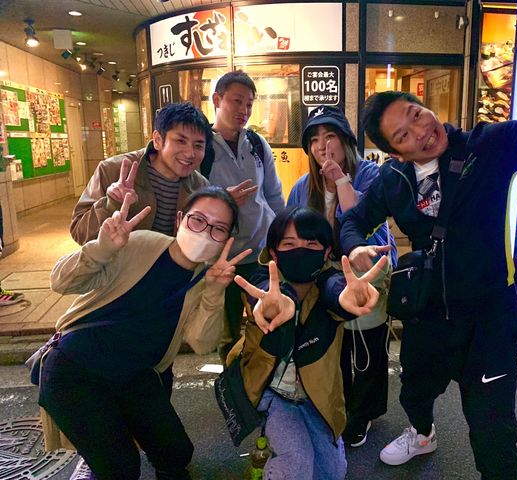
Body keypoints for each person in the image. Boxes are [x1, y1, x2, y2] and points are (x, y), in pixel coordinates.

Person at [340, 17, 517, 478]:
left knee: (493, 432)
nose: (420, 131)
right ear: (394, 152)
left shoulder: (487, 146)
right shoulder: (392, 179)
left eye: (416, 114)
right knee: (415, 390)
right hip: (426, 313)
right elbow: (355, 219)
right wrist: (356, 246)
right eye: (402, 135)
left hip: (489, 316)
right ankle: (422, 433)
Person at [39, 186, 251, 479]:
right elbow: (60, 281)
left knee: (177, 453)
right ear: (179, 219)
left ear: (226, 240)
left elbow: (201, 343)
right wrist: (101, 248)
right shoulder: (138, 243)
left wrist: (215, 291)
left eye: (218, 228)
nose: (205, 232)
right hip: (76, 370)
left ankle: (103, 450)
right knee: (121, 469)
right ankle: (95, 458)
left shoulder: (206, 278)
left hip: (135, 376)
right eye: (198, 220)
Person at [231, 206, 388, 480]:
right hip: (272, 394)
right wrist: (273, 305)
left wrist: (347, 299)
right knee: (297, 466)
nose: (300, 250)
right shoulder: (262, 281)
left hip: (317, 395)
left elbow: (335, 291)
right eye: (289, 244)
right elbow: (266, 295)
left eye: (311, 244)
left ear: (326, 252)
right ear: (274, 252)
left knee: (332, 473)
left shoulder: (329, 281)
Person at [287, 105, 397, 447]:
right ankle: (339, 406)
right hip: (327, 276)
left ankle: (362, 413)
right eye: (314, 140)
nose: (322, 145)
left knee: (366, 347)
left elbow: (363, 220)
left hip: (367, 271)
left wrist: (340, 180)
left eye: (330, 135)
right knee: (334, 346)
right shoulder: (303, 185)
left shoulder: (370, 174)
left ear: (347, 141)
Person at [205, 70, 285, 364]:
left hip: (260, 253)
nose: (244, 110)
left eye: (249, 103)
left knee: (266, 322)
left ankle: (259, 380)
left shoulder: (257, 144)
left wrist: (281, 240)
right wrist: (222, 199)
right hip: (220, 259)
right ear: (217, 100)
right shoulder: (201, 147)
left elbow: (274, 195)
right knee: (225, 333)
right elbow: (190, 203)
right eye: (237, 101)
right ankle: (231, 382)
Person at [70, 102, 211, 245]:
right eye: (180, 141)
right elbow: (80, 232)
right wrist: (111, 205)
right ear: (158, 140)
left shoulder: (200, 187)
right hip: (120, 260)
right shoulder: (113, 170)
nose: (190, 153)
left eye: (198, 145)